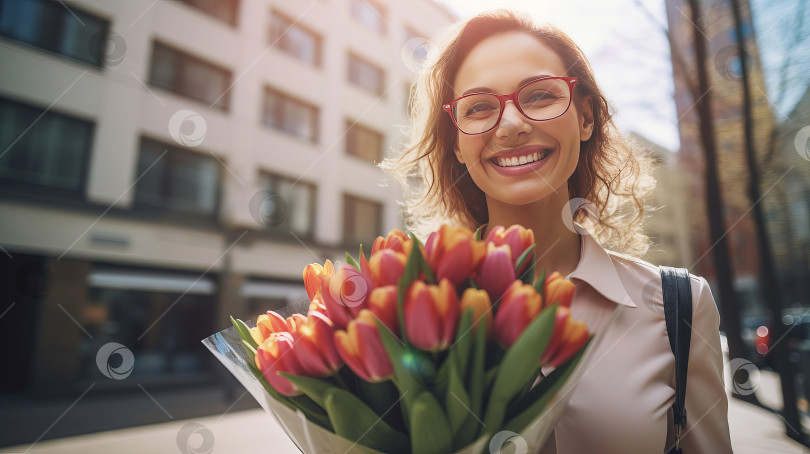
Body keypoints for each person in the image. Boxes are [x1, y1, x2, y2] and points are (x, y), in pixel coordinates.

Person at [383, 10, 732, 454]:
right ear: (456, 140)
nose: (511, 124)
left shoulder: (679, 308)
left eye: (540, 95)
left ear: (585, 116)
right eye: (480, 107)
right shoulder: (403, 307)